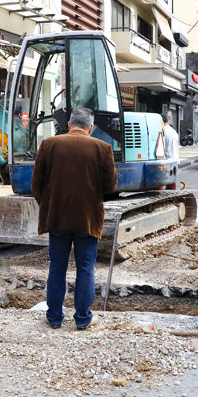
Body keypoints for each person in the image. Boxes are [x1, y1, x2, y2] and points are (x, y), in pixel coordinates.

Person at [32, 107, 117, 331]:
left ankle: (54, 318)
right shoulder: (102, 147)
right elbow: (110, 186)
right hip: (87, 219)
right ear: (91, 128)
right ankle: (82, 319)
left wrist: (50, 206)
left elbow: (36, 184)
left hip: (57, 218)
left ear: (69, 125)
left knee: (57, 266)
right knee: (86, 268)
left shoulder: (49, 144)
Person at [162, 113, 179, 190]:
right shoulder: (174, 131)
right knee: (171, 185)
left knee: (158, 186)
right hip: (175, 160)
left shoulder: (162, 131)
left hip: (166, 161)